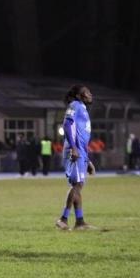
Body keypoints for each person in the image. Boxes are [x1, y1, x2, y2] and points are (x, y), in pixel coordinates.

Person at [55, 85, 96, 231]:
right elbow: (66, 124)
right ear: (79, 96)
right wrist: (73, 148)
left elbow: (81, 136)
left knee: (79, 186)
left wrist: (88, 160)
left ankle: (79, 221)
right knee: (77, 185)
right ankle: (63, 218)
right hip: (75, 150)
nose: (90, 94)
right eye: (87, 92)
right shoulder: (75, 105)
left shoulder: (82, 108)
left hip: (81, 152)